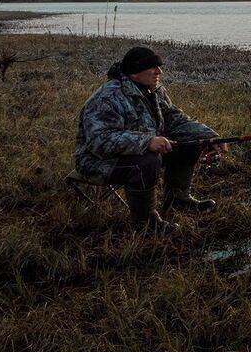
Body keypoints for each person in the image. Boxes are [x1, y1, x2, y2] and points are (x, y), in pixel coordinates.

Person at [75, 45, 225, 233]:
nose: (159, 71)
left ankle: (178, 199)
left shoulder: (154, 90)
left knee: (191, 145)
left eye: (159, 66)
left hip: (137, 152)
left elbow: (176, 119)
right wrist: (147, 142)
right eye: (152, 67)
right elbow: (99, 141)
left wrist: (208, 136)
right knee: (147, 161)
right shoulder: (108, 97)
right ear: (135, 73)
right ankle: (146, 224)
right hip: (96, 161)